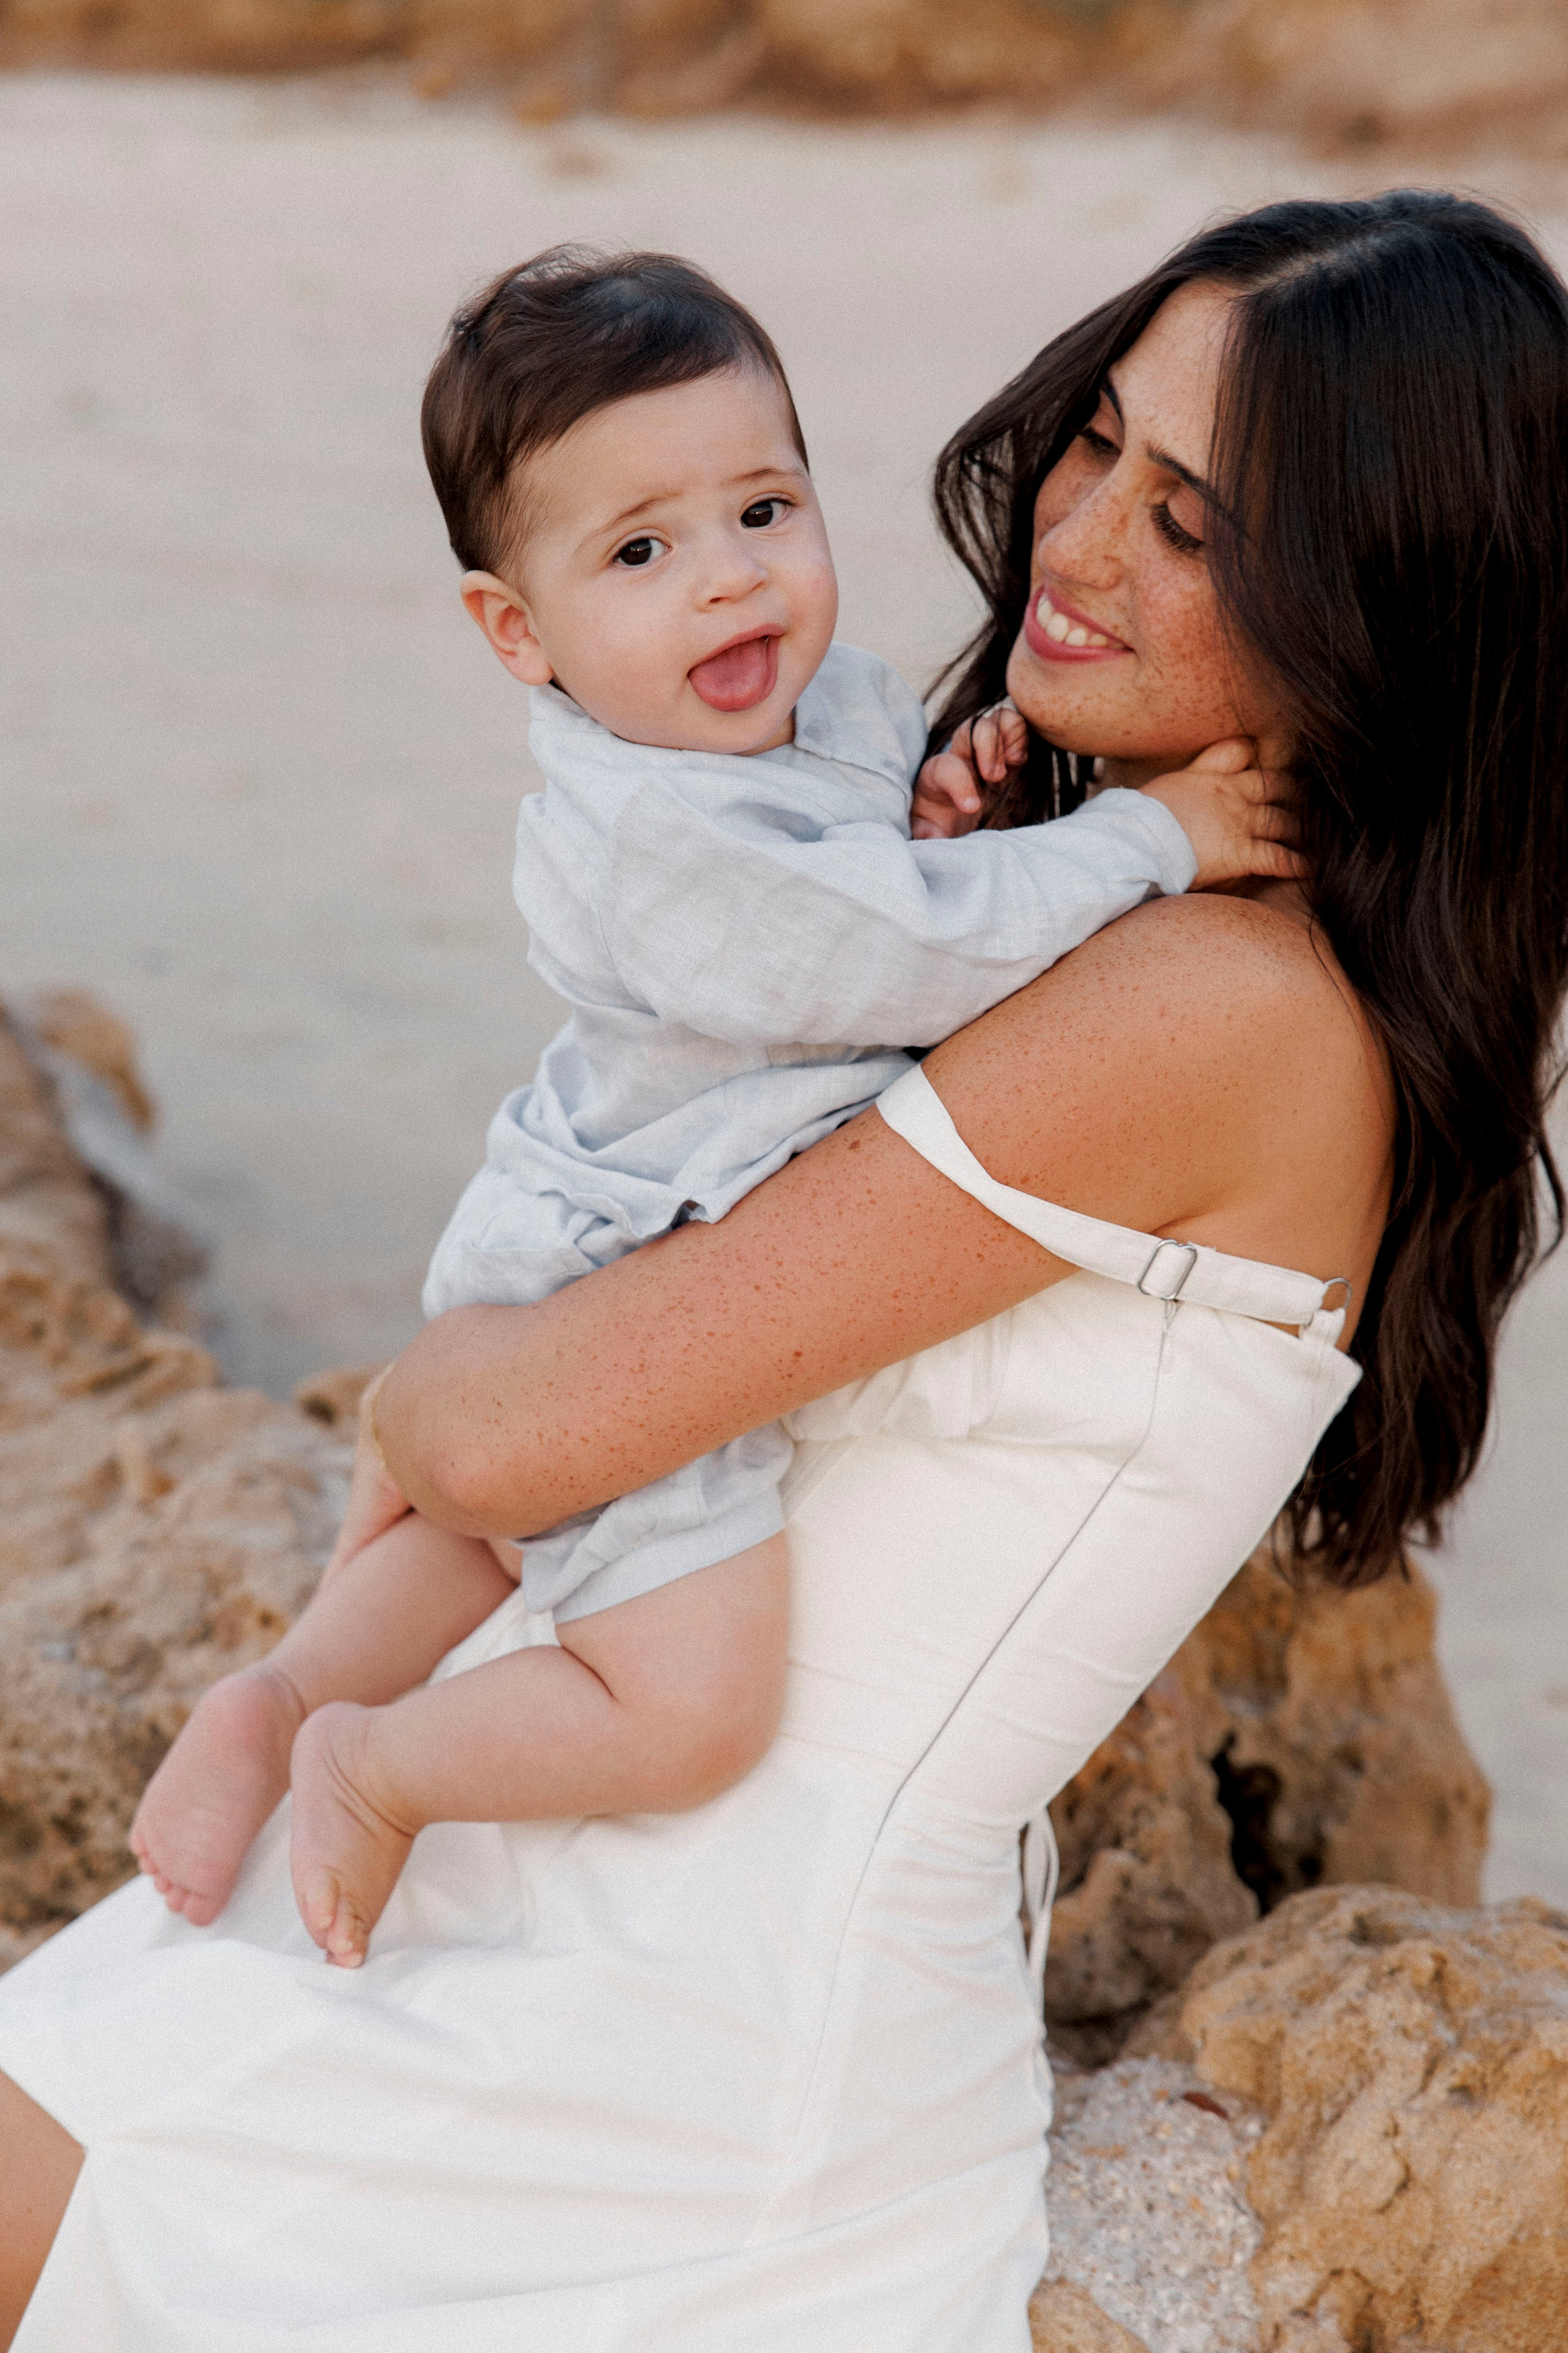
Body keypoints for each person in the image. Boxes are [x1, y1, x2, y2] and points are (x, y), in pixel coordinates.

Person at [3, 189, 1566, 2353]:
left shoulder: (1228, 1001)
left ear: (1388, 591)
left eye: (1193, 516)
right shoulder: (1156, 928)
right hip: (555, 1828)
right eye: (1099, 441)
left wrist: (421, 1401)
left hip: (677, 2009)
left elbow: (498, 1419)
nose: (1084, 537)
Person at [126, 246, 1287, 1969]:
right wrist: (1140, 840)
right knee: (685, 1704)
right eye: (643, 552)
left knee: (477, 1546)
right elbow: (877, 963)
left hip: (594, 1223)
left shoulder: (785, 719)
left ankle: (282, 1693)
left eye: (765, 510)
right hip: (629, 1248)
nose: (730, 586)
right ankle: (374, 1763)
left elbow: (871, 902)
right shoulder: (650, 837)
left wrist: (939, 827)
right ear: (516, 632)